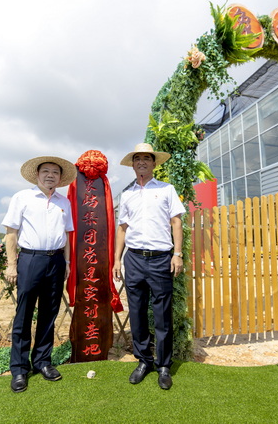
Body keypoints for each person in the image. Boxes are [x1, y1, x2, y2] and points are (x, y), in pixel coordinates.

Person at [112, 143, 186, 390]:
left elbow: (176, 222)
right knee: (137, 312)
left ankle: (163, 365)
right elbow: (122, 229)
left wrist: (177, 254)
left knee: (162, 314)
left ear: (154, 163)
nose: (142, 162)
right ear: (132, 165)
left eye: (147, 158)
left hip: (160, 259)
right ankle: (144, 360)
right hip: (133, 259)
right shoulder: (127, 195)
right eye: (137, 159)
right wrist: (117, 259)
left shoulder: (166, 189)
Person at [2, 155, 77, 393]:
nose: (50, 176)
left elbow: (67, 235)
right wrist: (11, 264)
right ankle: (19, 368)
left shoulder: (64, 202)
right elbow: (11, 233)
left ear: (60, 178)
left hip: (56, 261)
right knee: (23, 314)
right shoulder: (22, 198)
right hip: (30, 259)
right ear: (37, 174)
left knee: (49, 313)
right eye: (46, 171)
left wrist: (66, 262)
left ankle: (43, 361)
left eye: (55, 172)